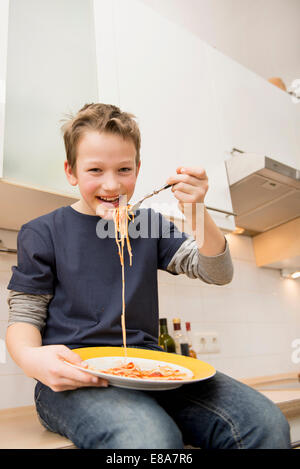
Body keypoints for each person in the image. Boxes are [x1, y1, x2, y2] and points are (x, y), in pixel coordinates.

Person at [5, 103, 290, 449]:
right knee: (149, 437)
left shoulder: (148, 225)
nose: (112, 184)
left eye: (124, 169)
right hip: (76, 378)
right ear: (71, 171)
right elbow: (23, 319)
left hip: (148, 368)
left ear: (138, 169)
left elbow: (218, 272)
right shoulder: (42, 232)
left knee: (263, 422)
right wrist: (33, 359)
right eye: (95, 169)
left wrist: (197, 211)